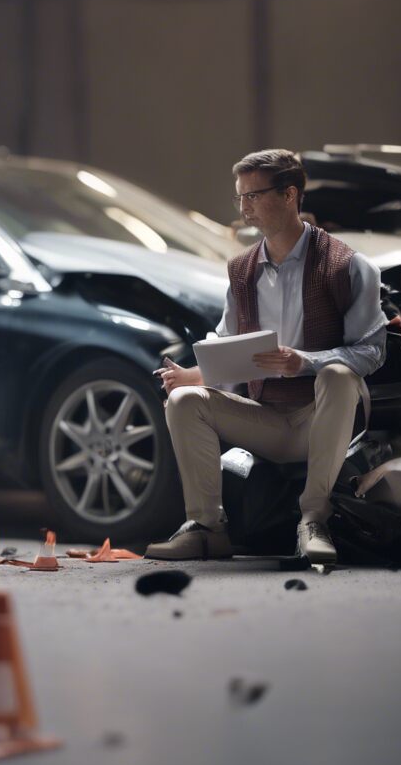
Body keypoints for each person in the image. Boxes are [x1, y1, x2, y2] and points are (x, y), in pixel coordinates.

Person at [146, 149, 386, 565]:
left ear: (290, 195)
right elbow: (226, 343)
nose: (244, 208)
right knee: (184, 401)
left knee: (338, 375)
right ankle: (207, 528)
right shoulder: (241, 270)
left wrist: (307, 361)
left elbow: (371, 350)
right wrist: (195, 374)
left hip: (323, 417)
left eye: (253, 196)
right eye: (239, 198)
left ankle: (314, 519)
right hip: (266, 418)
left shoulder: (346, 265)